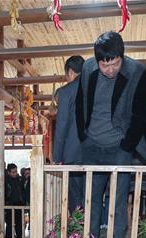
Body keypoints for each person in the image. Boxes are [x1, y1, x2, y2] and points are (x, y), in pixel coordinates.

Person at [75, 32, 146, 238]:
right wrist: (83, 137)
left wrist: (127, 145)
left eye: (115, 64)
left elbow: (141, 113)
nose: (110, 70)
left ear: (122, 57)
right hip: (92, 144)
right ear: (97, 60)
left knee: (118, 197)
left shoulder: (137, 71)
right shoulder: (88, 68)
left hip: (119, 145)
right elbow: (80, 104)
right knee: (91, 196)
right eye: (104, 65)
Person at [53, 55, 85, 210]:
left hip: (74, 154)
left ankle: (78, 225)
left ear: (71, 72)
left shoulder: (66, 92)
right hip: (97, 154)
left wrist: (56, 158)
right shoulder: (98, 88)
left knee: (76, 201)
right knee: (93, 199)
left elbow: (62, 126)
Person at [6, 163, 25, 238]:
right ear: (8, 172)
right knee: (10, 224)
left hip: (19, 204)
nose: (15, 173)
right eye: (13, 172)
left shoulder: (20, 179)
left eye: (16, 171)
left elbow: (23, 191)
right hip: (9, 204)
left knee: (19, 224)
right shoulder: (5, 181)